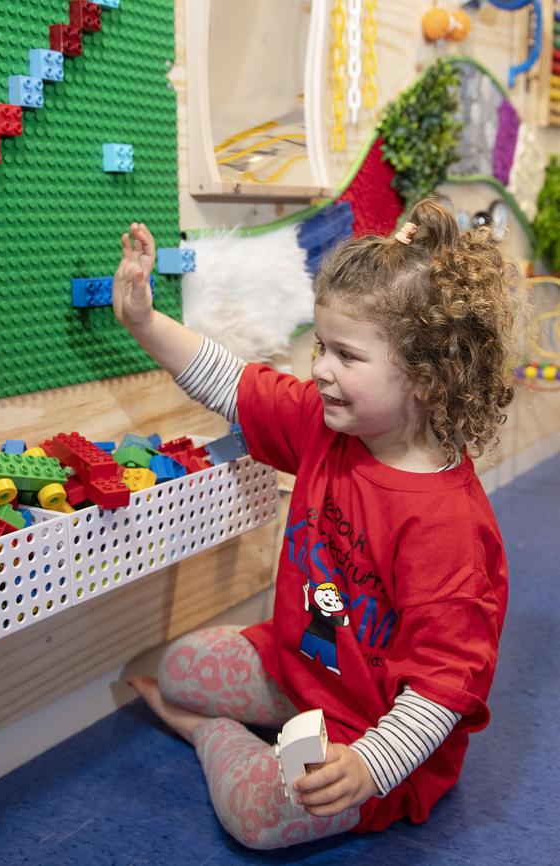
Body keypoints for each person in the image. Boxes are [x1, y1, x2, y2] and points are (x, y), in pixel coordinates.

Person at [112, 199, 516, 850]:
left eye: (346, 356)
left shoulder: (449, 527)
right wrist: (144, 319)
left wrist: (367, 767)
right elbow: (230, 382)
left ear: (429, 379)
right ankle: (255, 718)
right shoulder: (328, 426)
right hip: (299, 667)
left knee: (255, 816)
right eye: (321, 346)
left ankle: (209, 735)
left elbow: (442, 690)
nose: (319, 367)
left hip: (373, 731)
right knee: (184, 666)